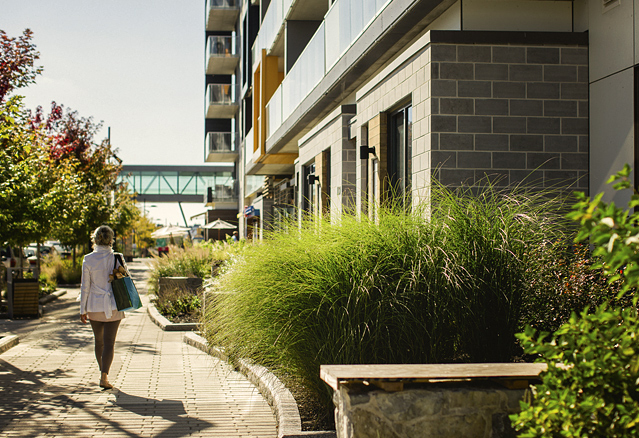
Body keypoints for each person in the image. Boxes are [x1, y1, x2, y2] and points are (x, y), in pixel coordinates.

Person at [79, 225, 126, 390]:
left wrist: (82, 310)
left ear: (94, 239)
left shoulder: (88, 259)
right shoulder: (117, 258)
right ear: (111, 240)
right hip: (114, 305)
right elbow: (124, 279)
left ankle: (102, 373)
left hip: (94, 306)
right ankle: (104, 376)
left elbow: (85, 287)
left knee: (98, 342)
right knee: (109, 343)